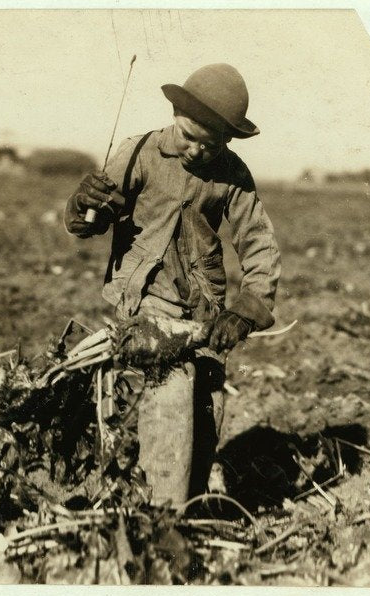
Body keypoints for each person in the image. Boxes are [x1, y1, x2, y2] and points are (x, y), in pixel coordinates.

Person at [64, 63, 281, 506]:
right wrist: (84, 205)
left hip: (204, 309)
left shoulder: (233, 177)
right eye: (188, 136)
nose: (197, 151)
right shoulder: (138, 152)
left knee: (207, 404)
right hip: (146, 302)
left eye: (211, 143)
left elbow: (259, 245)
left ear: (227, 140)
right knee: (171, 394)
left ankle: (192, 503)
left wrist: (247, 308)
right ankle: (160, 512)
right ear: (175, 112)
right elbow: (91, 222)